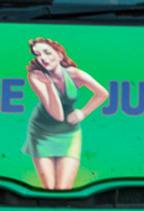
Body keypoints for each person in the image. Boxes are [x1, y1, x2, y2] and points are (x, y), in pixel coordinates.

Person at [22, 37, 109, 191]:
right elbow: (57, 115)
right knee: (48, 189)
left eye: (47, 52)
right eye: (38, 54)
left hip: (69, 134)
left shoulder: (75, 74)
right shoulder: (36, 76)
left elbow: (102, 93)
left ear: (60, 54)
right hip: (41, 132)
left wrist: (82, 113)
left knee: (64, 189)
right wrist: (49, 85)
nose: (42, 58)